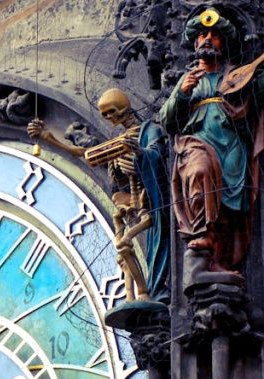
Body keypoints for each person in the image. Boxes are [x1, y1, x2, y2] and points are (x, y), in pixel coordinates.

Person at [28, 89, 170, 304]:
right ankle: (134, 295)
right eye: (105, 115)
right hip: (127, 204)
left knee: (124, 243)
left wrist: (140, 154)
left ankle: (143, 292)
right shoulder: (118, 141)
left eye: (113, 112)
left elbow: (157, 156)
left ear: (125, 109)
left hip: (145, 203)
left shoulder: (148, 131)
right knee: (121, 249)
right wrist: (49, 138)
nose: (111, 119)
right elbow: (85, 153)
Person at [159, 7, 264, 271]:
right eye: (203, 35)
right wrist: (182, 94)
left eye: (214, 36)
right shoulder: (188, 79)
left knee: (230, 202)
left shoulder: (236, 76)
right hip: (198, 142)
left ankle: (221, 260)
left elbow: (257, 98)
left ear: (223, 42)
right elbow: (167, 120)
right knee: (199, 170)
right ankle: (201, 234)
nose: (208, 39)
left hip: (232, 145)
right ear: (195, 43)